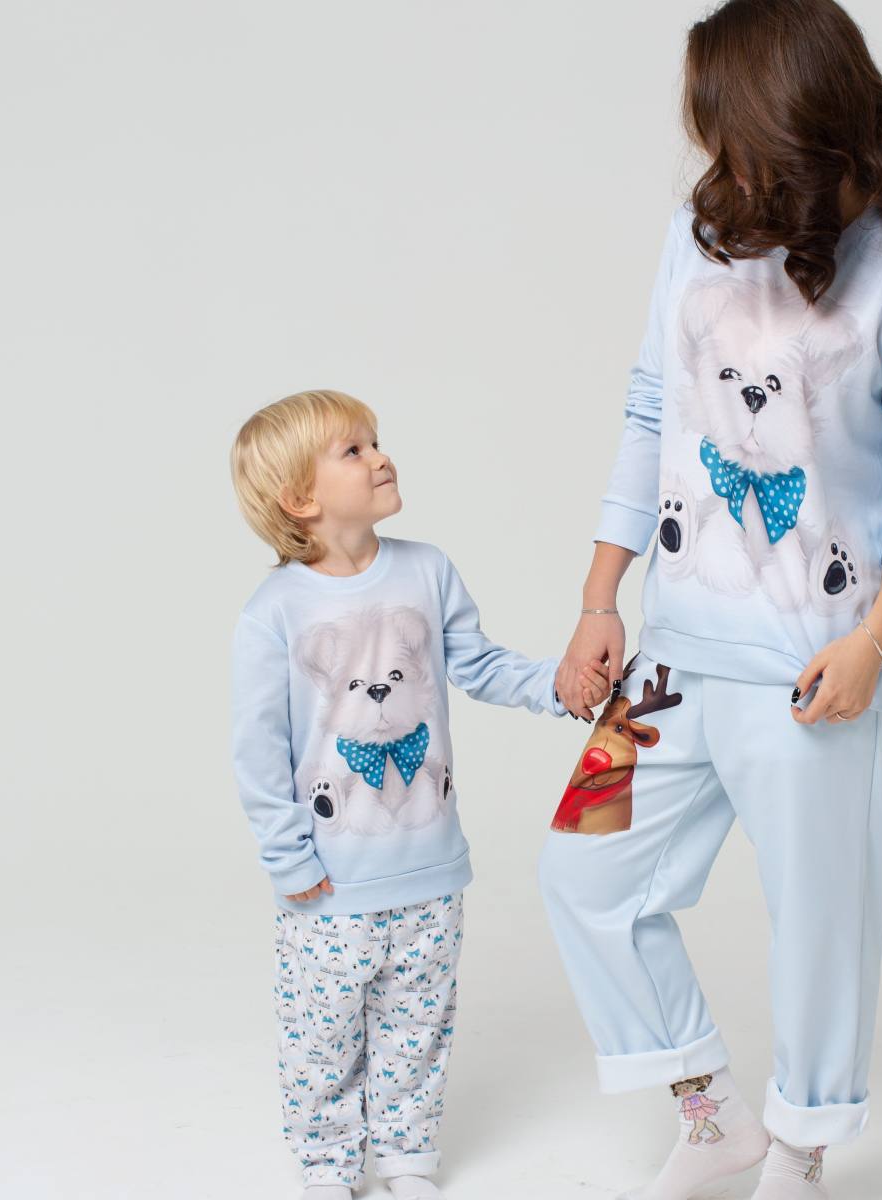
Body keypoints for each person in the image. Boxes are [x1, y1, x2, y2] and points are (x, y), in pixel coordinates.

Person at [539, 2, 882, 1197]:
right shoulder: (698, 239)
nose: (710, 148)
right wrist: (600, 596)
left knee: (817, 917)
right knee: (582, 870)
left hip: (814, 664)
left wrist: (872, 643)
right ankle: (711, 1118)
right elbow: (650, 410)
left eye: (724, 121)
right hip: (673, 652)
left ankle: (797, 1150)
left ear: (789, 113)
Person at [228, 389, 604, 1200]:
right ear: (300, 499)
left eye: (376, 441)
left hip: (430, 869)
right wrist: (287, 858)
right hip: (328, 882)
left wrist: (561, 686)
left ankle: (407, 1157)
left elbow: (479, 665)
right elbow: (258, 749)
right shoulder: (274, 613)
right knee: (322, 1034)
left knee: (417, 1024)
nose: (380, 457)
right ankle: (328, 1166)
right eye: (353, 451)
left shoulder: (428, 571)